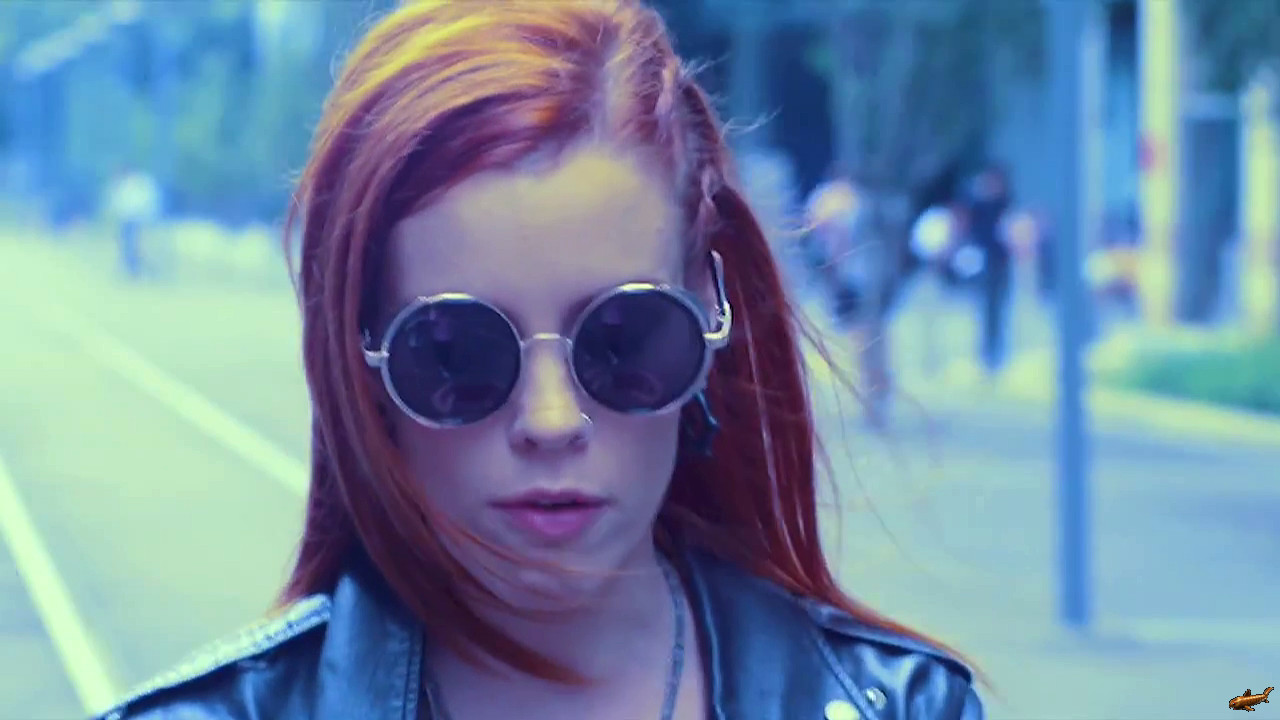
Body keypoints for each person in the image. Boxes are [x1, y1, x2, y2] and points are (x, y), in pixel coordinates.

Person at [93, 2, 983, 719]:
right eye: (457, 352)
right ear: (361, 366)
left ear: (711, 317)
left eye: (624, 339)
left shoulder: (905, 707)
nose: (552, 421)